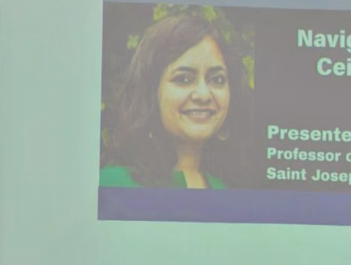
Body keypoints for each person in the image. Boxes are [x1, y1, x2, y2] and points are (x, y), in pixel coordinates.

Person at [100, 12, 245, 189]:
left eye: (217, 79)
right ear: (152, 91)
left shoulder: (226, 190)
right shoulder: (114, 184)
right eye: (184, 79)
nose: (203, 94)